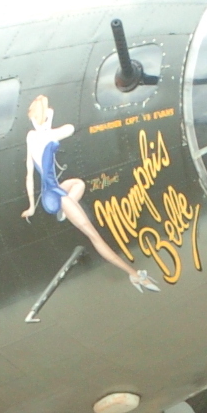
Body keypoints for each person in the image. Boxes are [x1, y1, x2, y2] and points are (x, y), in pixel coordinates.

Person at [21, 93, 160, 293]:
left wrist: (32, 207)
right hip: (55, 195)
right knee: (94, 236)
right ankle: (133, 274)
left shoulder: (31, 136)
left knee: (77, 184)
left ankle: (63, 212)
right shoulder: (49, 135)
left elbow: (29, 174)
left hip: (51, 192)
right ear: (45, 117)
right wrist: (49, 121)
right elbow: (68, 129)